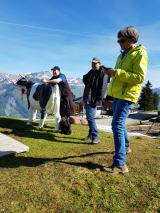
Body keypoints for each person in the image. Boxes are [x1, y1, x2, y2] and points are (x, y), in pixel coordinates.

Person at [103, 26, 148, 174]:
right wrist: (112, 73)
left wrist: (117, 72)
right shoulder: (122, 54)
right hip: (118, 95)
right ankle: (126, 147)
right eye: (118, 40)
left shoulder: (140, 53)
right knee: (120, 124)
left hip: (127, 95)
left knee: (116, 125)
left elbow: (139, 78)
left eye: (121, 40)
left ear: (131, 40)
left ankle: (120, 164)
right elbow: (119, 76)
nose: (119, 43)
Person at [83, 57, 110, 144]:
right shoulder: (92, 71)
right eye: (92, 63)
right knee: (89, 117)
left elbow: (103, 88)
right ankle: (91, 134)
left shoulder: (103, 73)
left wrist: (99, 99)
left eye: (95, 63)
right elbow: (85, 78)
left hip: (94, 99)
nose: (93, 65)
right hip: (88, 97)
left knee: (90, 117)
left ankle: (95, 136)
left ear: (99, 63)